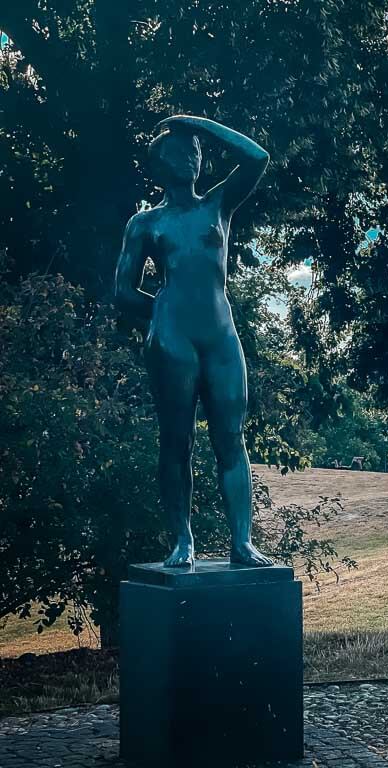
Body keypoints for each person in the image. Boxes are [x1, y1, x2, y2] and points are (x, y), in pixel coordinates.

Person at [115, 115, 272, 568]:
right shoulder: (145, 224)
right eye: (176, 152)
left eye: (194, 151)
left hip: (221, 336)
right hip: (172, 340)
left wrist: (197, 124)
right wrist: (165, 313)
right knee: (176, 440)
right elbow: (123, 292)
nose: (189, 157)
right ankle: (182, 541)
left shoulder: (218, 206)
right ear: (158, 167)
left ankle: (242, 542)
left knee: (231, 437)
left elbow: (257, 157)